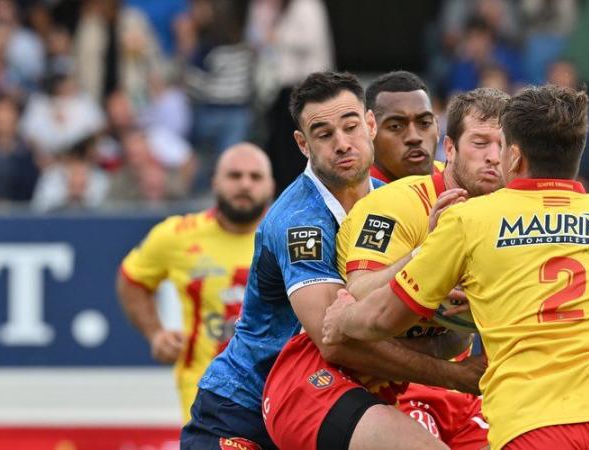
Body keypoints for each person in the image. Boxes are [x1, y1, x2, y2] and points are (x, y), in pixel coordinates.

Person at [323, 85, 589, 450]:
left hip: (535, 421)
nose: (492, 158)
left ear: (514, 155)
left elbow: (382, 316)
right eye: (480, 143)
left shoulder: (470, 219)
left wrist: (341, 319)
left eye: (498, 146)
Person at [182, 71, 483, 450]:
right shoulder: (300, 223)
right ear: (303, 144)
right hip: (244, 407)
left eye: (351, 127)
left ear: (370, 125)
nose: (342, 144)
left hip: (332, 399)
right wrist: (452, 375)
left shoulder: (390, 199)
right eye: (324, 134)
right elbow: (337, 341)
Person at [262, 73, 502, 450]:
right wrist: (429, 260)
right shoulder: (309, 220)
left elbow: (448, 334)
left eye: (424, 122)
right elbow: (337, 334)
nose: (494, 156)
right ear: (452, 148)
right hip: (293, 383)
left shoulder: (491, 214)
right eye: (481, 143)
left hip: (392, 386)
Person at [117, 143, 274, 422]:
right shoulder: (178, 235)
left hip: (276, 390)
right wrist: (155, 333)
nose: (245, 184)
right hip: (205, 393)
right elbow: (132, 280)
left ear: (271, 186)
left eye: (255, 177)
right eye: (235, 176)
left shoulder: (289, 236)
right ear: (215, 182)